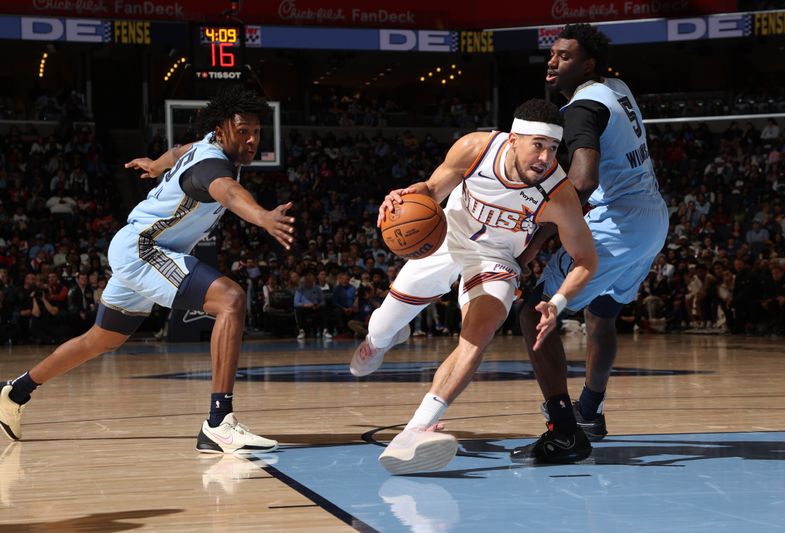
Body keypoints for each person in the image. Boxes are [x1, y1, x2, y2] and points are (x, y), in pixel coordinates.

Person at [0, 86, 294, 454]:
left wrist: (157, 164)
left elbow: (181, 149)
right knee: (231, 299)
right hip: (147, 249)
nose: (251, 140)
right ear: (222, 131)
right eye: (243, 131)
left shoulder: (205, 146)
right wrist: (262, 216)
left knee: (101, 339)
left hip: (135, 246)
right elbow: (230, 193)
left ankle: (16, 392)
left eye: (256, 132)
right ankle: (219, 422)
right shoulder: (213, 166)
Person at [350, 98, 597, 474]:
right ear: (513, 139)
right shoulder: (475, 148)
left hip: (496, 259)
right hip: (448, 235)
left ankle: (417, 428)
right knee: (382, 325)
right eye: (538, 145)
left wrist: (559, 301)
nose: (545, 157)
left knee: (479, 333)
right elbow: (431, 190)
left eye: (552, 148)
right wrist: (401, 197)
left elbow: (586, 260)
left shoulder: (558, 195)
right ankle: (380, 340)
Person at [510, 24, 668, 464]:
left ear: (587, 64)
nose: (552, 61)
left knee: (531, 309)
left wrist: (536, 241)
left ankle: (563, 431)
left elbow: (582, 182)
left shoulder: (581, 108)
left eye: (564, 56)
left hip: (617, 223)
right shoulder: (616, 87)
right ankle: (590, 413)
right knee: (602, 315)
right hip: (652, 219)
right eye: (552, 54)